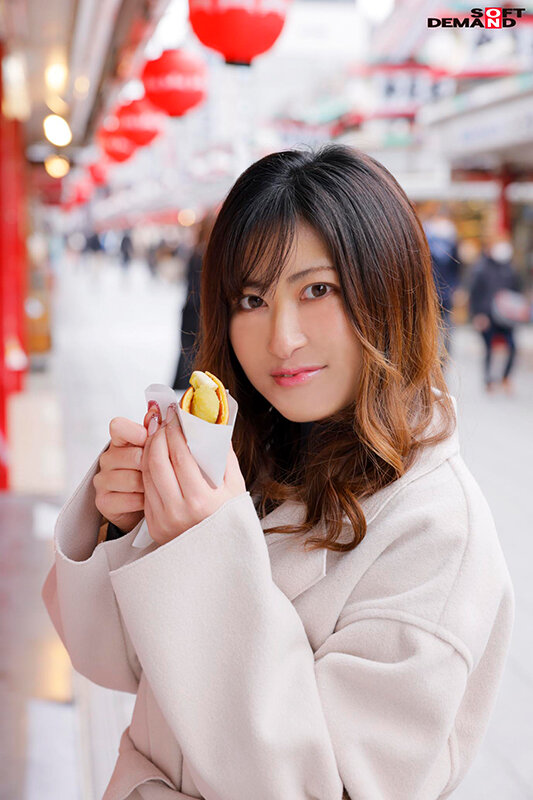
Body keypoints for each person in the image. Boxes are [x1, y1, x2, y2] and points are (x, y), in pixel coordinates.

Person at [42, 146, 513, 800]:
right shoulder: (241, 450)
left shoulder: (437, 533)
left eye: (317, 290)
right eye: (252, 298)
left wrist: (202, 552)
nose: (281, 338)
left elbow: (321, 786)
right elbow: (112, 663)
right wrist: (118, 529)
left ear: (390, 288)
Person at [469, 232, 521, 393]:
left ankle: (505, 377)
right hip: (488, 315)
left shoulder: (510, 268)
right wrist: (478, 314)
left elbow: (517, 291)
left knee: (512, 348)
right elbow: (474, 293)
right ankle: (488, 380)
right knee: (489, 349)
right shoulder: (481, 268)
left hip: (507, 317)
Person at [172, 212, 216, 391]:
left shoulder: (195, 252)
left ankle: (188, 385)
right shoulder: (209, 255)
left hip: (190, 309)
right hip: (202, 310)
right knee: (200, 351)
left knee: (188, 351)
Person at [423, 209, 461, 358]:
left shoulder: (452, 243)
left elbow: (457, 269)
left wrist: (455, 289)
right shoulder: (425, 241)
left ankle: (442, 362)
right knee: (429, 332)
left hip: (446, 296)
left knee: (446, 333)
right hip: (428, 295)